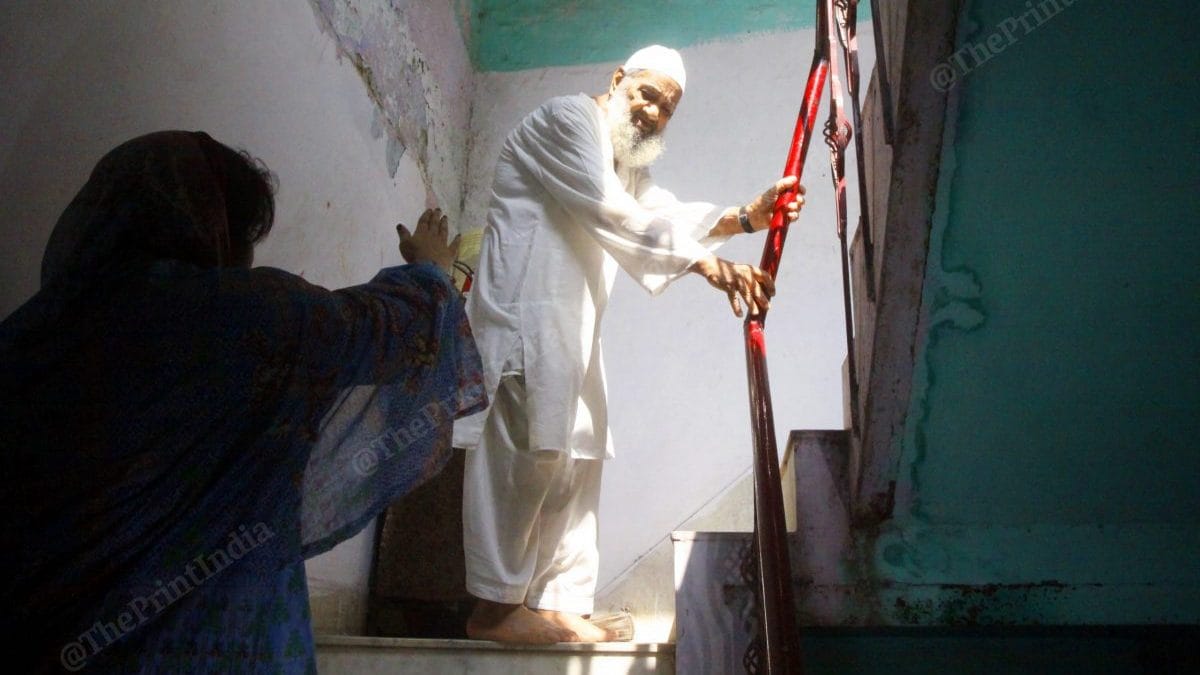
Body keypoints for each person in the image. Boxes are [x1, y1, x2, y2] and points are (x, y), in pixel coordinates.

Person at [0, 130, 485, 673]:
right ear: (218, 230)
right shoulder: (245, 319)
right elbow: (396, 332)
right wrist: (433, 271)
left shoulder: (25, 340)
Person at [455, 45, 806, 644]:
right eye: (646, 94)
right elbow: (612, 211)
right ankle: (491, 612)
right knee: (526, 456)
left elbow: (656, 212)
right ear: (618, 80)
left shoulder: (624, 163)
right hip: (524, 318)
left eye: (666, 108)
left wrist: (743, 218)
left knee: (577, 457)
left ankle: (557, 602)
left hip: (572, 328)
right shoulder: (567, 119)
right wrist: (704, 265)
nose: (651, 112)